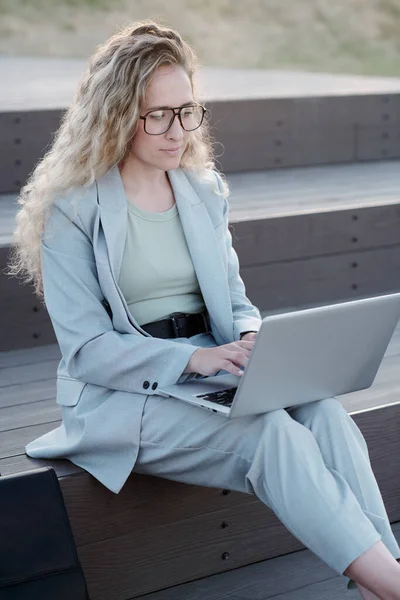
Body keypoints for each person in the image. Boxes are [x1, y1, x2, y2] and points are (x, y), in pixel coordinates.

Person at [9, 20, 400, 599]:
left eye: (188, 110)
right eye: (159, 114)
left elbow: (237, 301)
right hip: (125, 395)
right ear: (117, 116)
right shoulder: (73, 209)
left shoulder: (202, 190)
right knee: (273, 435)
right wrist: (195, 363)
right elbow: (87, 351)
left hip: (213, 370)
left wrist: (248, 340)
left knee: (326, 416)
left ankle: (381, 583)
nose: (178, 130)